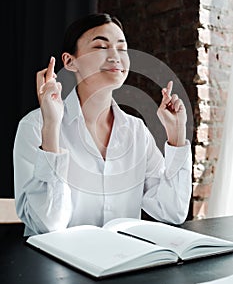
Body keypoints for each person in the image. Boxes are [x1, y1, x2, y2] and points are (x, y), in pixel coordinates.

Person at [13, 13, 192, 236]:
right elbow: (46, 225)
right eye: (100, 46)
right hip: (57, 266)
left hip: (122, 264)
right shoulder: (34, 126)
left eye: (122, 48)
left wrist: (176, 136)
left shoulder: (137, 132)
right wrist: (51, 127)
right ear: (70, 61)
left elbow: (172, 211)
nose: (115, 56)